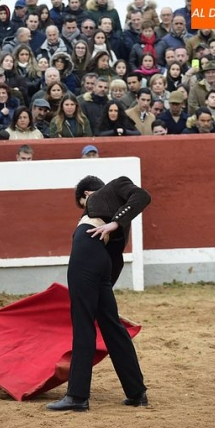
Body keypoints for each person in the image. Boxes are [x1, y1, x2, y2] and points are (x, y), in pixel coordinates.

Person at [46, 175, 150, 411]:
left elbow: (143, 195)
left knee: (83, 323)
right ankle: (136, 392)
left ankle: (77, 396)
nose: (85, 212)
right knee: (111, 326)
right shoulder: (116, 214)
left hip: (86, 256)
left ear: (87, 195)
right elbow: (113, 258)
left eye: (83, 207)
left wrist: (114, 223)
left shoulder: (115, 186)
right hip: (102, 262)